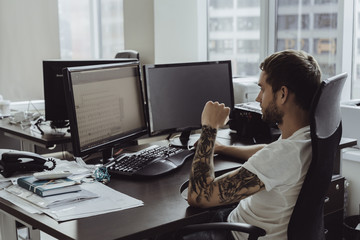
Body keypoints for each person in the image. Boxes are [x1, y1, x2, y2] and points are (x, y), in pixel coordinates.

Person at [186, 49, 322, 240]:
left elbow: (199, 196)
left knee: (167, 232)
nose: (258, 98)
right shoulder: (308, 137)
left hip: (237, 234)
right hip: (243, 219)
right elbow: (269, 152)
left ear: (282, 94)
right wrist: (223, 148)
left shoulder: (283, 155)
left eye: (262, 89)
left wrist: (209, 128)